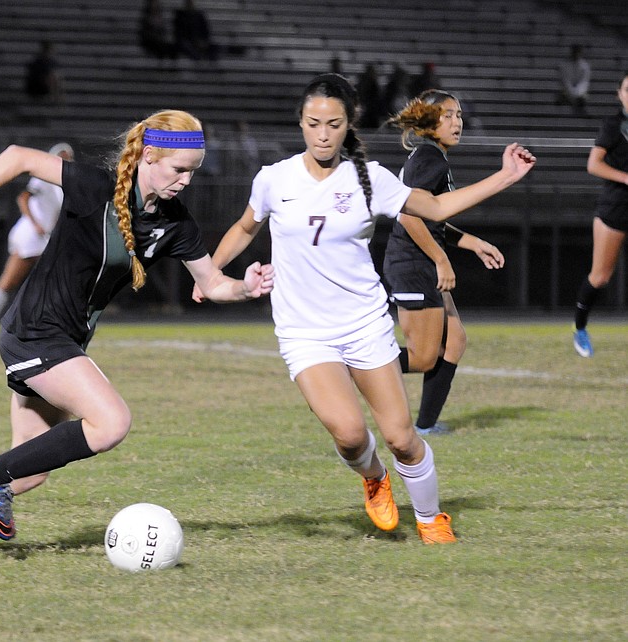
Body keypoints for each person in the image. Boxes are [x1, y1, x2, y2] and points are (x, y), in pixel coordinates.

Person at [0, 110, 275, 556]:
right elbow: (17, 158)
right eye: (178, 169)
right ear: (149, 155)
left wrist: (246, 286)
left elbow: (211, 284)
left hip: (63, 343)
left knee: (27, 470)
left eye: (192, 172)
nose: (185, 180)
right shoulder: (95, 188)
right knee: (111, 422)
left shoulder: (176, 222)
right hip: (35, 332)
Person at [195, 74, 535, 544]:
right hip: (304, 333)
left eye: (333, 124)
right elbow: (245, 228)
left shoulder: (370, 179)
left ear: (348, 124)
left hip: (364, 325)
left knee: (401, 437)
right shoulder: (274, 178)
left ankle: (432, 518)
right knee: (352, 436)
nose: (322, 133)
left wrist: (505, 177)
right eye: (313, 123)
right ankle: (374, 477)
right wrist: (209, 272)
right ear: (301, 122)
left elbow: (434, 209)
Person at [383, 90, 505, 435]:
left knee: (455, 341)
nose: (457, 122)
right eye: (447, 115)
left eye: (459, 115)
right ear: (428, 121)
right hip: (413, 264)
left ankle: (425, 425)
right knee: (423, 357)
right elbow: (408, 216)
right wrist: (441, 260)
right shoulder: (429, 158)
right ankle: (348, 368)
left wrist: (472, 243)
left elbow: (432, 217)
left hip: (420, 263)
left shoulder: (432, 156)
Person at [0, 142, 75, 333]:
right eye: (61, 156)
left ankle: (54, 323)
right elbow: (23, 198)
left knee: (56, 279)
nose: (65, 160)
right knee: (10, 280)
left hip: (44, 237)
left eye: (67, 157)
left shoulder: (62, 185)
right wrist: (35, 223)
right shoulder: (44, 177)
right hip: (30, 235)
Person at [572, 72, 628, 357]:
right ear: (620, 94)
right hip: (616, 207)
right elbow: (593, 165)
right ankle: (580, 329)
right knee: (601, 276)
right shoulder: (614, 125)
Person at [556, 44, 591, 116]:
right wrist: (572, 93)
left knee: (583, 97)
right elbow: (565, 81)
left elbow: (584, 82)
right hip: (567, 91)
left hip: (579, 92)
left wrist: (577, 93)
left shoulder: (584, 66)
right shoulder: (564, 65)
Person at [355, 63, 384, 129]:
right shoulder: (362, 85)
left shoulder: (375, 86)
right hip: (365, 114)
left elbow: (378, 101)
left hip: (372, 115)